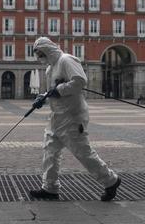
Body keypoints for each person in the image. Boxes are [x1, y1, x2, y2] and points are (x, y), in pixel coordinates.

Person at [29, 37, 121, 201]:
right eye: (37, 54)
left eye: (41, 53)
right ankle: (50, 188)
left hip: (72, 117)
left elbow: (80, 81)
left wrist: (59, 90)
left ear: (48, 49)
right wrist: (43, 97)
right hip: (56, 117)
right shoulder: (50, 68)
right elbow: (53, 91)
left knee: (83, 153)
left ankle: (111, 180)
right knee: (50, 152)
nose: (39, 57)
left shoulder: (66, 60)